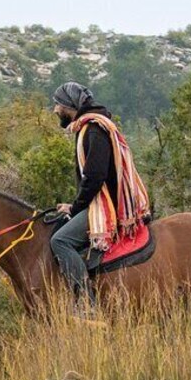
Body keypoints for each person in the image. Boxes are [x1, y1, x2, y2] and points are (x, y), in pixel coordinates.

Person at [50, 82, 150, 311]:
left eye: (57, 104)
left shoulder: (93, 129)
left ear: (68, 105)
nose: (55, 110)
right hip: (105, 202)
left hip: (108, 207)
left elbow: (94, 177)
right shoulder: (93, 126)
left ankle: (86, 303)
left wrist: (75, 208)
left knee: (60, 241)